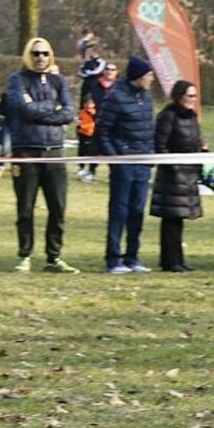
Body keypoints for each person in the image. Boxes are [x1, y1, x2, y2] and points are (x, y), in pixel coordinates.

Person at [3, 38, 80, 274]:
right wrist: (51, 105)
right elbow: (24, 110)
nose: (40, 58)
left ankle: (54, 256)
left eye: (45, 53)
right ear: (29, 55)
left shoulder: (59, 81)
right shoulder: (17, 80)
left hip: (55, 152)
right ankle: (24, 254)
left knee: (58, 207)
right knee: (25, 207)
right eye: (36, 53)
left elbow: (68, 113)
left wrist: (39, 110)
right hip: (26, 150)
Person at [96, 56, 156, 274]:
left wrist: (151, 156)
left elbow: (150, 130)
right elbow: (101, 132)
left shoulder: (147, 99)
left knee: (137, 211)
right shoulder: (115, 97)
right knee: (119, 211)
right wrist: (116, 160)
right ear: (138, 76)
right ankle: (113, 259)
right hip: (124, 163)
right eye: (148, 75)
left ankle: (132, 257)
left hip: (143, 163)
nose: (151, 79)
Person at [151, 80, 204, 272]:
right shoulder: (168, 117)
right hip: (172, 175)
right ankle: (169, 260)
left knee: (180, 219)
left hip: (189, 174)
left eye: (195, 96)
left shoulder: (192, 116)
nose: (193, 100)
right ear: (179, 96)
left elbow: (195, 141)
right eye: (189, 96)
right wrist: (175, 168)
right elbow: (161, 145)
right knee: (171, 220)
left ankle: (178, 259)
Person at [77, 61, 116, 183]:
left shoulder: (119, 86)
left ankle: (114, 173)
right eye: (107, 69)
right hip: (96, 121)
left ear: (116, 72)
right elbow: (87, 100)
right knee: (94, 147)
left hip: (113, 123)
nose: (109, 71)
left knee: (113, 150)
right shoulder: (95, 85)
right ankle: (91, 171)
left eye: (112, 69)